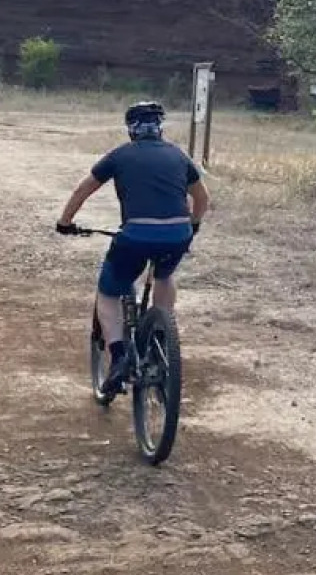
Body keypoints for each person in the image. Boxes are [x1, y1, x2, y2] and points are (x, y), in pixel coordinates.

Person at [56, 101, 209, 395]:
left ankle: (118, 357)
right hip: (178, 233)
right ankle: (162, 333)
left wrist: (65, 222)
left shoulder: (119, 155)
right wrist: (193, 224)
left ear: (131, 129)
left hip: (136, 234)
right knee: (164, 275)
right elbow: (202, 199)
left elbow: (82, 190)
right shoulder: (179, 156)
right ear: (160, 128)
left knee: (109, 292)